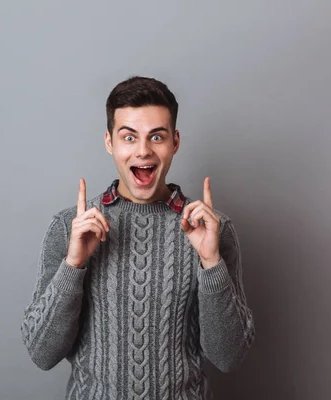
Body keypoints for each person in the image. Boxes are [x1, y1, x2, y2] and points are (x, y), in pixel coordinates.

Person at [21, 76, 255, 399]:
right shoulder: (68, 228)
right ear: (109, 143)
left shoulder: (213, 230)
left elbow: (228, 357)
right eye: (129, 137)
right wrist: (73, 264)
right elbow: (41, 352)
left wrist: (211, 262)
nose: (143, 151)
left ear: (174, 142)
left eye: (156, 137)